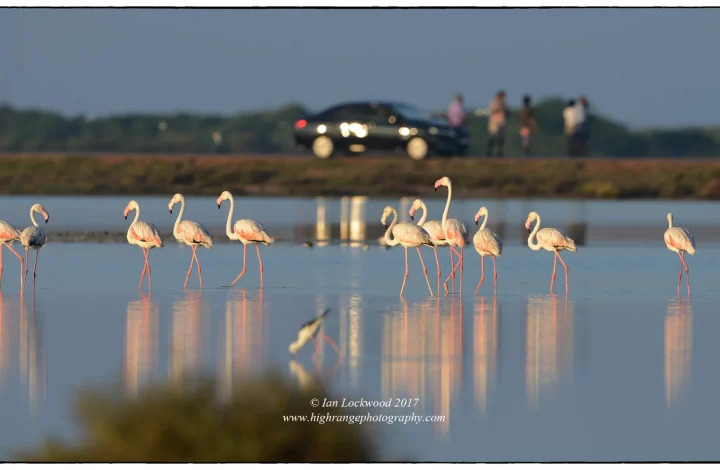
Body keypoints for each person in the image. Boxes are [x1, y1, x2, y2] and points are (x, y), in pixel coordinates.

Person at [486, 90, 508, 157]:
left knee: (500, 139)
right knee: (493, 138)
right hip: (494, 123)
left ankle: (499, 154)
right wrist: (500, 107)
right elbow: (492, 110)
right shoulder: (495, 102)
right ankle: (489, 153)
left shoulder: (503, 103)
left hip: (501, 123)